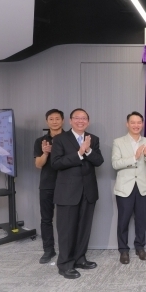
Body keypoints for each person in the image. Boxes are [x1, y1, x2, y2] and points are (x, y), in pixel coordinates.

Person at [51, 108, 104, 279]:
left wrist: (88, 151)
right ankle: (65, 264)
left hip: (88, 191)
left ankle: (80, 258)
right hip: (67, 192)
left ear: (88, 121)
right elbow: (56, 163)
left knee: (84, 228)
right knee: (66, 230)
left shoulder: (93, 139)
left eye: (84, 118)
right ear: (70, 121)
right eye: (77, 118)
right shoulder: (60, 139)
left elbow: (99, 161)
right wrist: (79, 153)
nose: (80, 121)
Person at [111, 111, 146, 264]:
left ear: (142, 124)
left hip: (142, 186)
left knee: (141, 219)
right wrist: (135, 157)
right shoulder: (118, 142)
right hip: (125, 187)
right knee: (123, 220)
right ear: (127, 124)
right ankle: (123, 250)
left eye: (139, 122)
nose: (136, 125)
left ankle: (140, 247)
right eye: (133, 122)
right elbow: (115, 164)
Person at [33, 109, 65, 264]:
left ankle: (66, 250)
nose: (54, 121)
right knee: (46, 219)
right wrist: (45, 153)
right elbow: (38, 165)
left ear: (63, 120)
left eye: (57, 118)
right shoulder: (41, 141)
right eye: (51, 119)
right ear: (47, 121)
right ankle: (48, 250)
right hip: (47, 184)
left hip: (66, 184)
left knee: (65, 219)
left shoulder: (69, 138)